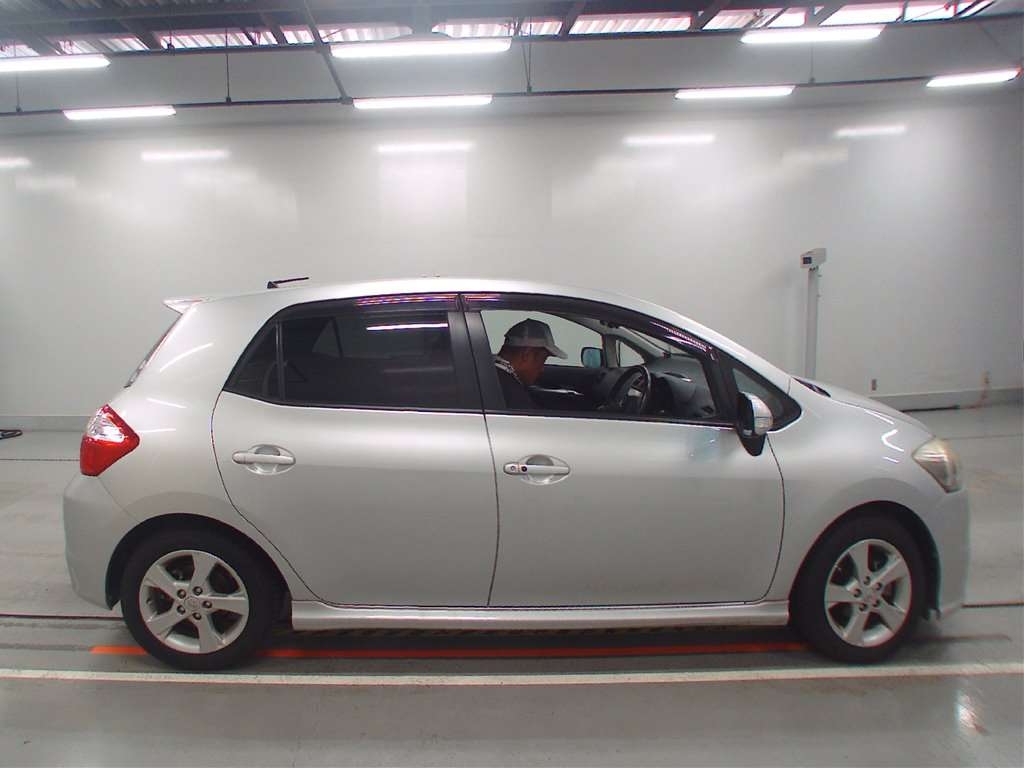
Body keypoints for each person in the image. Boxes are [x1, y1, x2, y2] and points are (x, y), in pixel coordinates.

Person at [494, 318, 567, 409]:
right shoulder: (513, 396)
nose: (541, 369)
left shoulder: (490, 375)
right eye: (542, 360)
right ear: (526, 354)